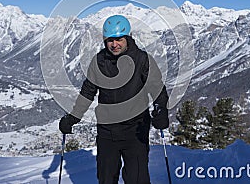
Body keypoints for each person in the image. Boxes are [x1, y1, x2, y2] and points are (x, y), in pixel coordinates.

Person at [59, 14, 169, 184]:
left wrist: (161, 109)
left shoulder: (142, 60)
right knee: (106, 179)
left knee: (137, 179)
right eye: (110, 40)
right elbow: (88, 91)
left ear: (128, 38)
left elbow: (157, 88)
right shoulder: (99, 61)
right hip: (107, 132)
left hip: (135, 131)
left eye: (119, 39)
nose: (114, 44)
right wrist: (73, 117)